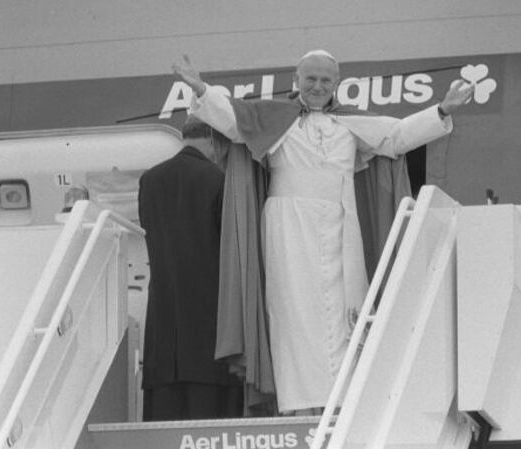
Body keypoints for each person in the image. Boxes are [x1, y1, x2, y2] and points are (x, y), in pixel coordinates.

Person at [172, 50, 474, 414]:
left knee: (349, 312)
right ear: (297, 81)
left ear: (338, 84)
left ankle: (346, 405)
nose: (317, 87)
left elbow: (395, 137)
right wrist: (201, 88)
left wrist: (443, 110)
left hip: (341, 225)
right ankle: (299, 409)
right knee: (292, 312)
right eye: (310, 79)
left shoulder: (350, 123)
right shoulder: (273, 117)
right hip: (289, 227)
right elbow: (231, 118)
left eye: (325, 80)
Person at [138, 116, 242, 420]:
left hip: (163, 335)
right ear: (215, 139)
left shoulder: (150, 179)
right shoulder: (219, 179)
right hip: (210, 336)